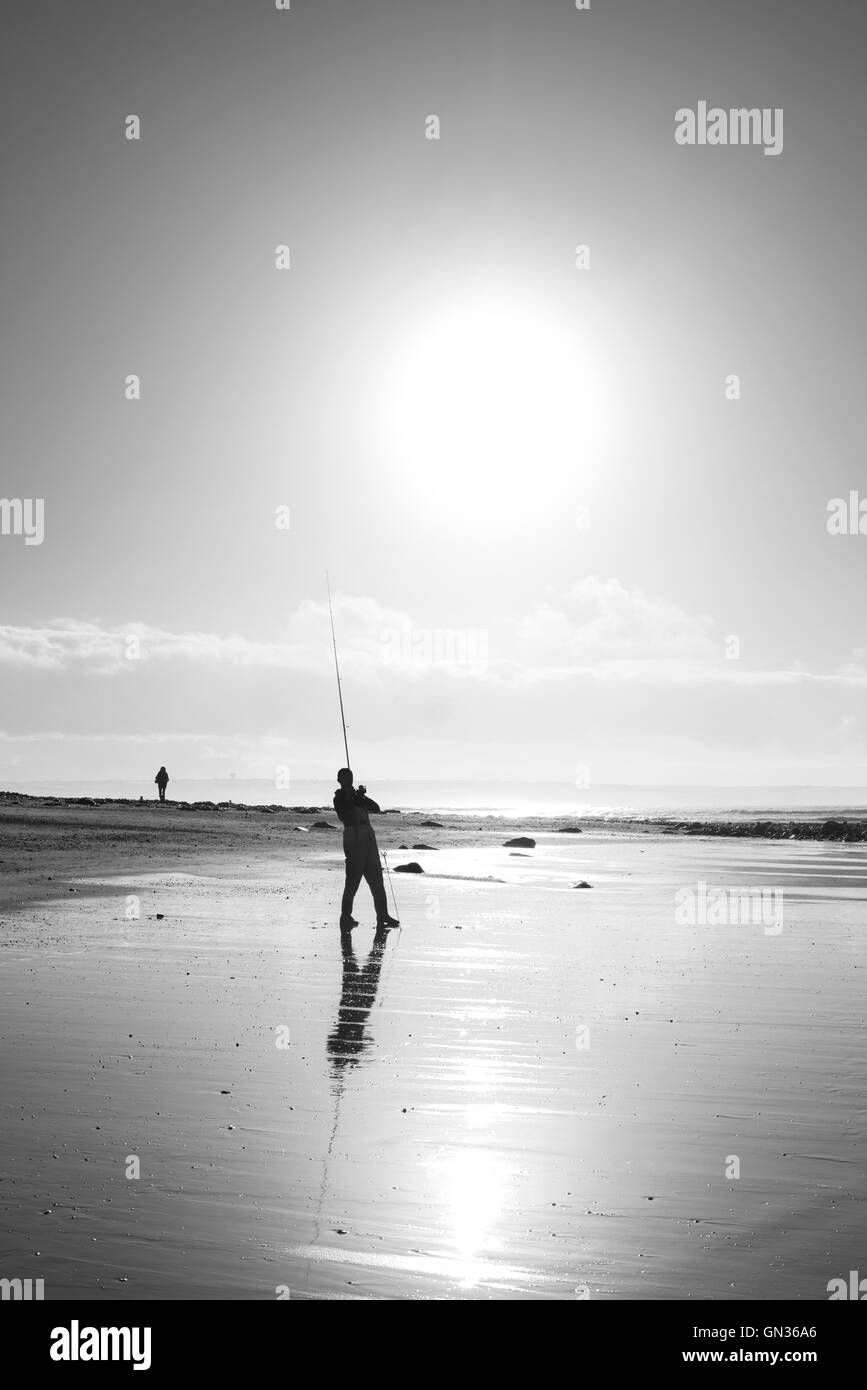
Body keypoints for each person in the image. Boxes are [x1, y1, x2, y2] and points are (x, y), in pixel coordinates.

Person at [333, 768, 399, 931]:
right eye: (345, 777)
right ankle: (345, 917)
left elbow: (376, 808)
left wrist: (362, 796)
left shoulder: (357, 796)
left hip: (368, 837)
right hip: (353, 837)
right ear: (339, 780)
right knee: (352, 882)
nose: (349, 779)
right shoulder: (339, 797)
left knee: (377, 879)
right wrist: (351, 795)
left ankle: (383, 915)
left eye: (350, 777)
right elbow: (345, 812)